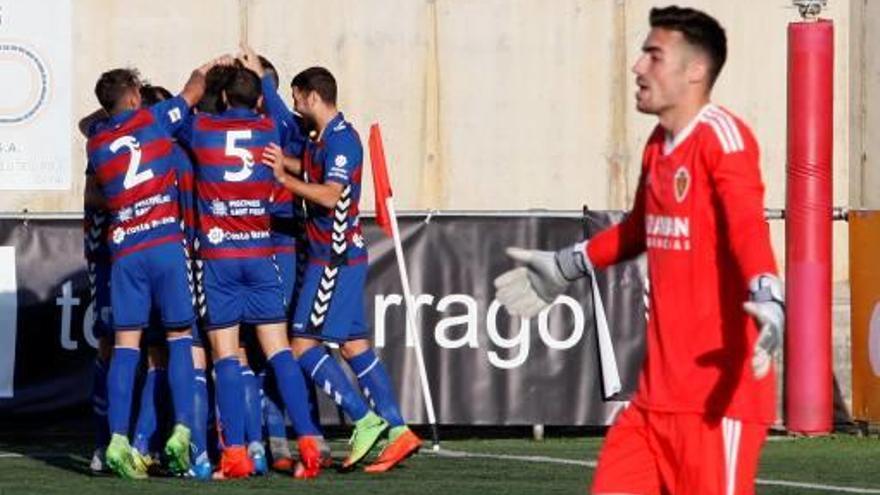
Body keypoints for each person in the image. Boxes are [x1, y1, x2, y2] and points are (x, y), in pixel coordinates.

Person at [494, 6, 784, 494]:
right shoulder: (659, 143)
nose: (637, 67)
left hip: (717, 402)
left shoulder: (723, 139)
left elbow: (747, 227)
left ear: (694, 70)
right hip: (652, 405)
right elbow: (639, 230)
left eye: (653, 55)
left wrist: (768, 293)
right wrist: (567, 265)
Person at [252, 49, 422, 473]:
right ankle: (399, 431)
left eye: (296, 99)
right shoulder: (320, 140)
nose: (294, 108)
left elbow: (329, 194)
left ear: (312, 97)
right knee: (353, 346)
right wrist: (282, 162)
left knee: (302, 345)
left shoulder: (343, 139)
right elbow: (308, 169)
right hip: (332, 257)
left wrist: (283, 179)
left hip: (333, 260)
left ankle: (364, 420)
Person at [85, 58, 229, 479]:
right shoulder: (155, 121)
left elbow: (98, 125)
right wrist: (208, 67)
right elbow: (193, 88)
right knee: (180, 336)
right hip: (165, 243)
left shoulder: (96, 141)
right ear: (134, 97)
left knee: (126, 345)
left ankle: (116, 439)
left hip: (125, 248)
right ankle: (182, 429)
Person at [178, 63, 323, 480]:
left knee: (224, 355)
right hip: (261, 254)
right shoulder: (268, 130)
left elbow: (175, 115)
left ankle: (236, 455)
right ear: (258, 99)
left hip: (219, 260)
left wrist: (197, 77)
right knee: (279, 351)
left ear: (222, 97)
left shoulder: (202, 130)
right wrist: (266, 84)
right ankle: (310, 446)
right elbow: (283, 120)